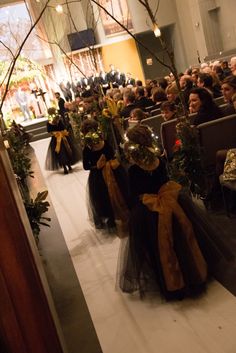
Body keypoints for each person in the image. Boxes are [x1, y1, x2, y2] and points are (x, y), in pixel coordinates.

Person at [118, 124, 234, 300]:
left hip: (148, 211)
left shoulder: (133, 169)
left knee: (158, 246)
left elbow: (133, 194)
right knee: (182, 239)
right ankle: (192, 271)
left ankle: (171, 282)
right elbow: (165, 180)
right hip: (172, 203)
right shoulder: (159, 160)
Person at [81, 118, 130, 233]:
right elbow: (86, 166)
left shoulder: (101, 143)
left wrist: (104, 163)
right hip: (101, 175)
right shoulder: (89, 149)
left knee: (114, 194)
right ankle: (114, 218)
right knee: (106, 196)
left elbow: (111, 155)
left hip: (110, 172)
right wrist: (97, 166)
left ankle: (119, 216)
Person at [45, 108, 80, 174]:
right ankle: (69, 166)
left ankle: (65, 168)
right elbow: (63, 127)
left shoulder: (48, 122)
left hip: (56, 139)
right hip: (63, 138)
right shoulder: (59, 119)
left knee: (60, 153)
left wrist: (55, 133)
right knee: (67, 150)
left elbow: (49, 131)